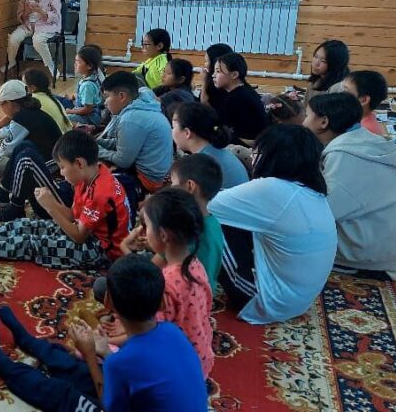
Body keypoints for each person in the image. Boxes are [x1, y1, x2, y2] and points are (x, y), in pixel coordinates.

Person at [0, 255, 207, 412]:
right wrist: (104, 352)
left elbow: (108, 404)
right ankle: (26, 340)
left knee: (65, 393)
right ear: (162, 302)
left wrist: (90, 354)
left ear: (107, 301)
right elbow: (137, 371)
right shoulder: (171, 331)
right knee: (78, 368)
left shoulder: (122, 361)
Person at [208, 124, 337, 324]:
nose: (252, 156)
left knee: (208, 222)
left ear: (272, 156)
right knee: (231, 217)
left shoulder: (272, 188)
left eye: (257, 151)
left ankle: (181, 280)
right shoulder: (311, 190)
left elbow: (203, 203)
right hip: (298, 299)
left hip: (268, 302)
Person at [304, 93, 396, 277]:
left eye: (307, 115)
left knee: (291, 242)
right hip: (393, 245)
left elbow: (323, 212)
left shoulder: (345, 156)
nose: (303, 121)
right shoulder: (363, 141)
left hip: (378, 256)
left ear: (323, 122)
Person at [0, 131, 131, 270]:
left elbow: (79, 237)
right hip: (87, 232)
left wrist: (51, 207)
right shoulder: (89, 176)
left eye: (63, 167)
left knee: (31, 243)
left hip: (100, 251)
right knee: (28, 225)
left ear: (79, 163)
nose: (61, 173)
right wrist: (52, 203)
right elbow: (72, 216)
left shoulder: (100, 193)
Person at [131, 188, 214, 378]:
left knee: (112, 357)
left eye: (147, 226)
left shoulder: (166, 284)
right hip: (201, 360)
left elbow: (148, 335)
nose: (144, 231)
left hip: (178, 371)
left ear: (163, 235)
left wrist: (113, 340)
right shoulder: (194, 263)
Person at [0, 80, 70, 221]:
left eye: (3, 104)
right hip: (47, 155)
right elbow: (9, 132)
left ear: (12, 104)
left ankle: (13, 204)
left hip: (49, 162)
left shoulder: (22, 117)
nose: (2, 108)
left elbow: (7, 148)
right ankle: (3, 193)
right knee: (21, 147)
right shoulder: (27, 112)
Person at [97, 71, 174, 194]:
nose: (105, 103)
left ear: (122, 96)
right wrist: (101, 142)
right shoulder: (144, 101)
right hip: (161, 172)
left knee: (96, 173)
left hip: (149, 180)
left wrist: (97, 150)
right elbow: (126, 143)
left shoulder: (131, 119)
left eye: (106, 96)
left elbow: (123, 160)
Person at [169, 154, 227, 293]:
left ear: (190, 186)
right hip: (204, 296)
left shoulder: (186, 227)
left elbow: (155, 267)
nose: (171, 187)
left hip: (183, 298)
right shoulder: (214, 223)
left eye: (173, 182)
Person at [171, 102, 249, 190]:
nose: (171, 131)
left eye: (173, 127)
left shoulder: (201, 165)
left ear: (187, 133)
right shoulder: (217, 152)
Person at [5, 0, 61, 75]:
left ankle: (51, 66)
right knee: (13, 38)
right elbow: (20, 15)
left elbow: (56, 17)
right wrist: (27, 12)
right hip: (28, 25)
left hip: (46, 26)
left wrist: (40, 10)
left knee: (38, 40)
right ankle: (11, 62)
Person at [211, 52, 268, 145]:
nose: (213, 75)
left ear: (234, 75)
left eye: (218, 71)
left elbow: (219, 126)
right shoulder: (243, 90)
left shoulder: (237, 98)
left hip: (250, 145)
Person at [63, 45, 105, 126]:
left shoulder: (87, 85)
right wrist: (74, 96)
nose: (75, 64)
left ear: (89, 66)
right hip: (86, 111)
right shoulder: (92, 77)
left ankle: (89, 128)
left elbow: (87, 110)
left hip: (90, 117)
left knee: (63, 118)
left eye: (78, 62)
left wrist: (70, 111)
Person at [22, 69, 72, 133]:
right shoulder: (48, 96)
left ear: (33, 88)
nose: (21, 86)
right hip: (66, 134)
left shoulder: (34, 101)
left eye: (23, 84)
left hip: (58, 139)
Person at [304, 40, 350, 107]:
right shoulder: (315, 82)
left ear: (335, 64)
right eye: (316, 56)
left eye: (323, 61)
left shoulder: (339, 89)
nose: (316, 63)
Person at [342, 70, 388, 136]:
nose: (339, 95)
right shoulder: (355, 118)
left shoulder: (365, 131)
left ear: (364, 100)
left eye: (345, 92)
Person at [200, 43, 234, 112]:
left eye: (206, 61)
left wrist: (204, 82)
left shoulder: (219, 82)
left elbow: (204, 104)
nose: (205, 64)